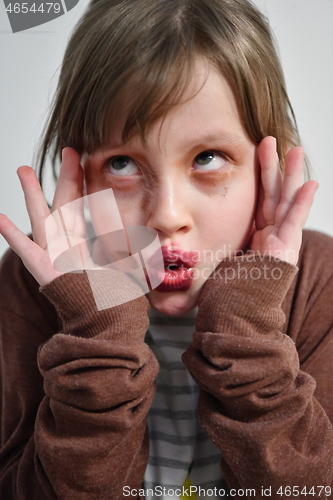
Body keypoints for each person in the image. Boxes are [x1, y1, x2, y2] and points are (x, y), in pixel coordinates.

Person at [0, 0, 333, 498]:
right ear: (80, 172)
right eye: (122, 165)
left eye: (207, 157)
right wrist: (99, 331)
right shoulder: (34, 284)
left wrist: (246, 324)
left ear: (268, 164)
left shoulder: (316, 277)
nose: (166, 215)